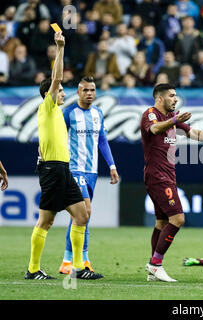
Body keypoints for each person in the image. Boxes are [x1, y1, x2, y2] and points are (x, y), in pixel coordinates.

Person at [25, 31, 102, 280]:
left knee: (82, 215)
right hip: (52, 170)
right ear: (49, 93)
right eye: (58, 91)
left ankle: (79, 267)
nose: (62, 93)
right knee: (45, 222)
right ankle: (33, 269)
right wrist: (60, 48)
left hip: (63, 169)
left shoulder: (57, 113)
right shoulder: (47, 106)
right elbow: (56, 77)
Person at [141, 83, 203, 282]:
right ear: (160, 98)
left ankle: (153, 267)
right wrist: (174, 120)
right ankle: (156, 264)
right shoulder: (151, 113)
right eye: (172, 96)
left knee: (162, 222)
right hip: (158, 176)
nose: (175, 99)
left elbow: (194, 134)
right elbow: (154, 129)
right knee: (178, 219)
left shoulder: (172, 119)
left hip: (167, 175)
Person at [58, 76, 119, 275]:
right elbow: (57, 138)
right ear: (78, 92)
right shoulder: (68, 113)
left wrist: (111, 165)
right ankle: (82, 260)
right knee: (85, 212)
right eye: (85, 90)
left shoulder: (98, 113)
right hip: (74, 169)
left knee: (81, 217)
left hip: (92, 170)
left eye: (92, 90)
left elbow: (102, 140)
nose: (90, 94)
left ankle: (69, 260)